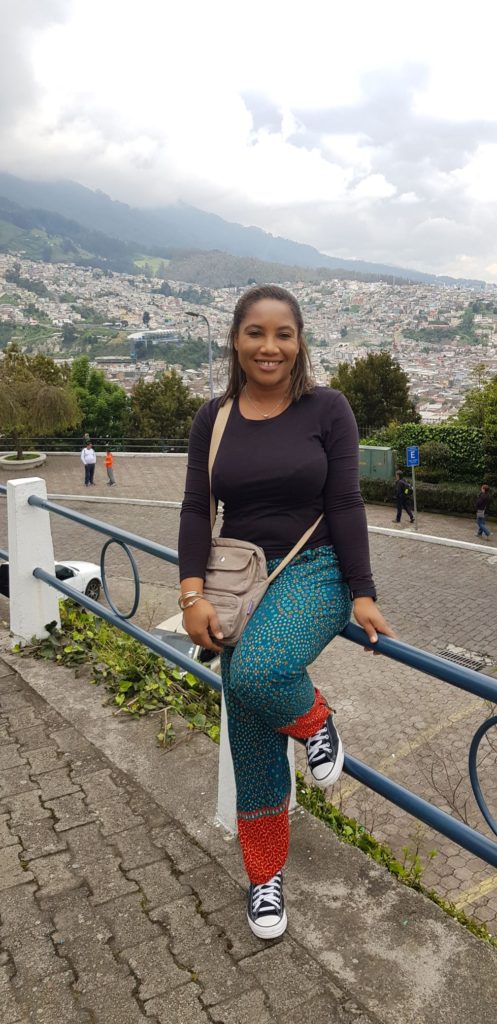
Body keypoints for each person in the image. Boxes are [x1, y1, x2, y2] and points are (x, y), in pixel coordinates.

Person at [178, 284, 394, 940]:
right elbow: (195, 509)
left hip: (316, 570)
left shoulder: (327, 409)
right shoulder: (213, 418)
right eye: (255, 333)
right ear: (235, 341)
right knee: (248, 735)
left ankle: (316, 722)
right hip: (239, 584)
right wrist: (190, 594)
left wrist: (361, 591)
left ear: (299, 342)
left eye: (283, 334)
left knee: (255, 676)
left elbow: (347, 503)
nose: (269, 347)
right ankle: (264, 877)